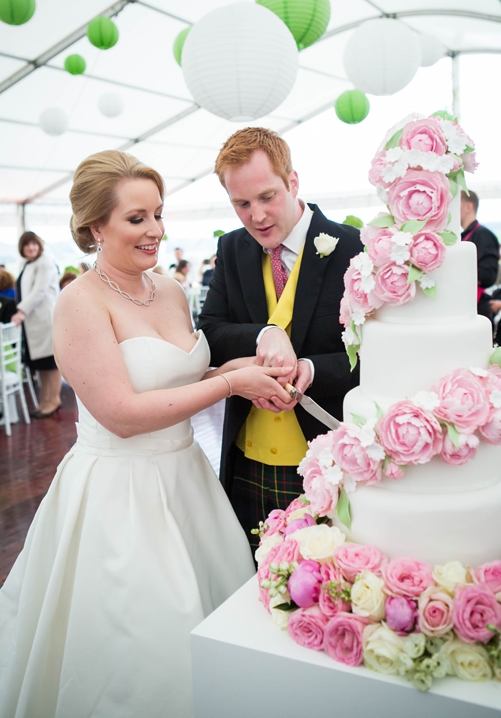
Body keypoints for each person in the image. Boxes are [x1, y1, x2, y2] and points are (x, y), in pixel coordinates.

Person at [0, 150, 292, 718]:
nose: (155, 230)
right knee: (140, 649)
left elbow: (177, 381)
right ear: (94, 227)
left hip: (187, 482)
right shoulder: (79, 302)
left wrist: (231, 373)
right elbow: (123, 413)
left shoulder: (171, 290)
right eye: (137, 219)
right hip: (120, 494)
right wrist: (229, 387)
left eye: (158, 214)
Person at [198, 127, 363, 550]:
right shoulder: (232, 248)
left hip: (327, 460)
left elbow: (375, 352)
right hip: (246, 460)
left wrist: (310, 368)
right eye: (241, 204)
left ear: (292, 181)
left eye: (267, 196)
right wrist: (265, 333)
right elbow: (212, 332)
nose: (256, 216)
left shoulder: (353, 247)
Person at [11, 232, 62, 418]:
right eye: (27, 245)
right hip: (34, 323)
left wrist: (21, 311)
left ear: (39, 245)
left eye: (34, 244)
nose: (31, 248)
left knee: (51, 363)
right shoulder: (27, 264)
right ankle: (45, 401)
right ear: (22, 248)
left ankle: (54, 400)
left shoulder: (45, 262)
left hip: (45, 320)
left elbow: (39, 291)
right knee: (41, 364)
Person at [460, 190, 499, 322]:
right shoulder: (462, 236)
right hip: (465, 302)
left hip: (477, 307)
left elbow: (488, 275)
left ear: (468, 207)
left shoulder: (483, 235)